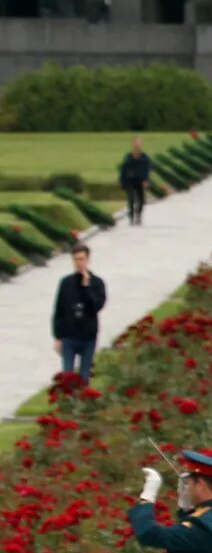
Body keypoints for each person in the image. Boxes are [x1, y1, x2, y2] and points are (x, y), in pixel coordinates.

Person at [51, 244, 107, 382]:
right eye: (75, 259)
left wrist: (87, 287)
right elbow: (59, 310)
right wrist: (57, 336)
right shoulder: (66, 282)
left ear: (88, 260)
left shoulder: (97, 283)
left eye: (81, 259)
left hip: (88, 337)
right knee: (67, 377)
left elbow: (97, 306)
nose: (78, 263)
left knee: (84, 377)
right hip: (69, 337)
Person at [118, 137, 151, 225]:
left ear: (141, 144)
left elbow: (147, 169)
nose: (137, 145)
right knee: (131, 199)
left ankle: (138, 215)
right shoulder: (128, 157)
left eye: (138, 143)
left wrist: (146, 180)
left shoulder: (145, 157)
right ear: (132, 144)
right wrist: (122, 181)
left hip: (140, 181)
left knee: (141, 200)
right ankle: (131, 217)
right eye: (135, 143)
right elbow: (123, 169)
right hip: (130, 181)